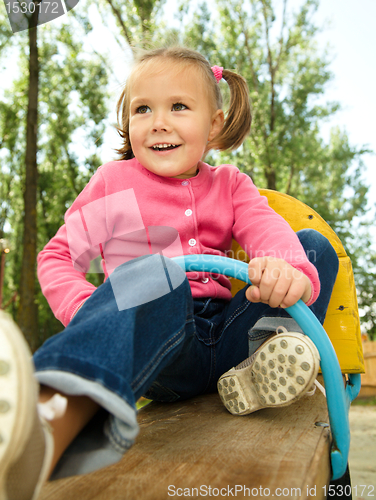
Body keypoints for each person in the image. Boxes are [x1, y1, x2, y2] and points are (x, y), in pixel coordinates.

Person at [0, 46, 338, 499]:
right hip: (167, 347)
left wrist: (285, 268)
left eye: (178, 106)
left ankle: (261, 371)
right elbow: (56, 257)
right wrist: (96, 310)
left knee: (313, 249)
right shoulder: (114, 183)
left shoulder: (230, 184)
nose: (159, 121)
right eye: (143, 109)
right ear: (128, 122)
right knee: (157, 273)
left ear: (213, 124)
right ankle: (52, 417)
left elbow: (266, 229)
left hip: (234, 339)